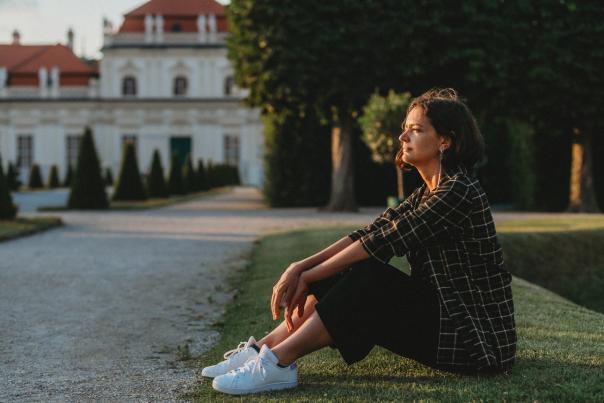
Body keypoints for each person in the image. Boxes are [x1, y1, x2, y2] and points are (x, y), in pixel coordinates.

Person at [203, 88, 517, 395]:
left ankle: (278, 364)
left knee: (367, 275)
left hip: (474, 341)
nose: (402, 138)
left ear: (445, 141)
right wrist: (300, 267)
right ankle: (263, 349)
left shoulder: (458, 191)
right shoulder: (427, 193)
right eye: (404, 130)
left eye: (416, 130)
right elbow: (369, 233)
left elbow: (382, 243)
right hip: (446, 319)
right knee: (343, 268)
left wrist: (309, 276)